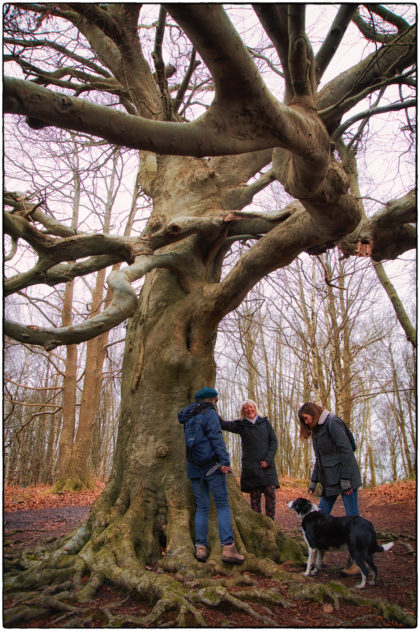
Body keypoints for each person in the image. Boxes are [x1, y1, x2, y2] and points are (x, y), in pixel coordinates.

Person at [178, 387, 244, 564]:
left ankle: (201, 547)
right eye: (216, 400)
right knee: (222, 505)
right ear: (210, 399)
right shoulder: (210, 414)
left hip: (193, 467)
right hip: (213, 465)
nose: (216, 403)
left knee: (202, 507)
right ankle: (228, 548)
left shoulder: (188, 416)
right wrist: (224, 461)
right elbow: (216, 437)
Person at [297, 401, 362, 576]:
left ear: (313, 413)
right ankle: (319, 557)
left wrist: (347, 480)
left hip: (345, 477)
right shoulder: (317, 432)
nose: (306, 423)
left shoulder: (333, 423)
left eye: (306, 418)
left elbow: (346, 451)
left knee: (353, 518)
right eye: (303, 421)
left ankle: (357, 561)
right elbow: (319, 459)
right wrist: (313, 482)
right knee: (319, 516)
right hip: (329, 481)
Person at [220, 399, 279, 520]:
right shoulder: (241, 424)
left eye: (251, 407)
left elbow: (274, 441)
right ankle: (259, 523)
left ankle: (271, 523)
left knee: (271, 493)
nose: (249, 409)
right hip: (251, 467)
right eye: (246, 408)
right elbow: (224, 424)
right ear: (243, 411)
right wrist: (211, 409)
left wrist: (268, 459)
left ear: (255, 408)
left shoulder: (265, 423)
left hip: (267, 467)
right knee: (255, 498)